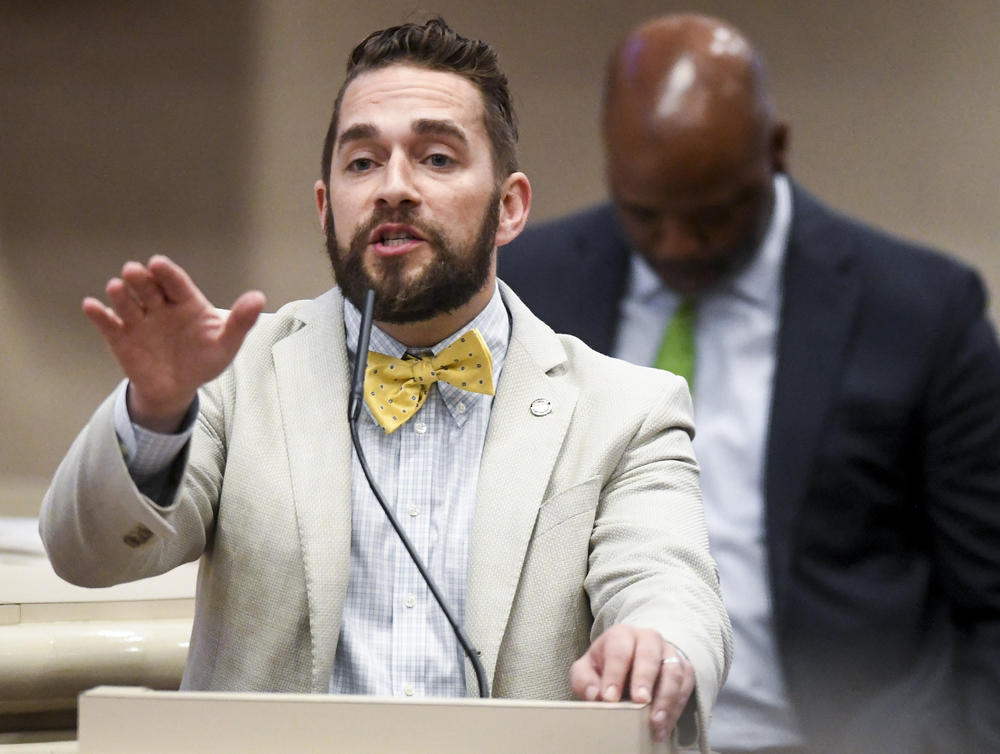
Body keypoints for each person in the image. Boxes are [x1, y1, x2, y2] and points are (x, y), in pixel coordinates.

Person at [38, 18, 732, 750]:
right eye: (363, 162)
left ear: (510, 206)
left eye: (436, 157)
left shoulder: (626, 409)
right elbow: (88, 555)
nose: (393, 188)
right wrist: (155, 410)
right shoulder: (235, 373)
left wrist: (656, 644)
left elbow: (672, 586)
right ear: (325, 206)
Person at [498, 13, 1000, 754]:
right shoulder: (525, 292)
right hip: (592, 735)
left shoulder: (920, 311)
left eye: (711, 215)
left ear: (777, 151)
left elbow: (989, 598)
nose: (676, 245)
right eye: (645, 214)